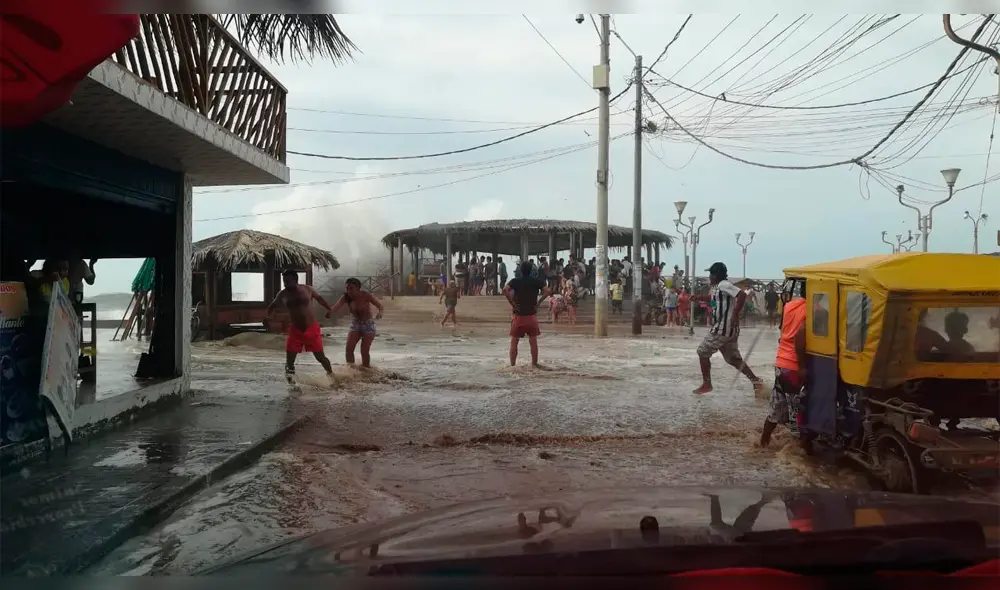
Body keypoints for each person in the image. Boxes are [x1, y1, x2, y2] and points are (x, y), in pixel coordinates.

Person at [694, 262, 764, 395]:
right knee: (733, 359)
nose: (709, 276)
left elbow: (741, 295)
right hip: (728, 329)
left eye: (711, 274)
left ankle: (707, 384)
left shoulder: (724, 284)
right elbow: (713, 299)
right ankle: (756, 382)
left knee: (702, 351)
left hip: (723, 328)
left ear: (715, 275)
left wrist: (735, 314)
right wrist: (699, 298)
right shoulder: (717, 287)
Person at [265, 270, 336, 387]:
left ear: (295, 280)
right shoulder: (282, 294)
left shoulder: (307, 289)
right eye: (284, 282)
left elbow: (320, 299)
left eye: (287, 282)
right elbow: (271, 306)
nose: (285, 284)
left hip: (311, 328)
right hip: (295, 330)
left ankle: (331, 375)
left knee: (321, 358)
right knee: (289, 362)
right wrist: (268, 317)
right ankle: (292, 386)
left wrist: (329, 309)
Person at [760, 290, 807, 448]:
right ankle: (800, 454)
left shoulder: (790, 306)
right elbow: (800, 335)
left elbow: (783, 331)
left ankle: (762, 444)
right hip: (794, 366)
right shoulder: (813, 309)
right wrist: (802, 366)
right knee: (797, 412)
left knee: (776, 406)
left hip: (781, 362)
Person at [503, 261, 551, 367]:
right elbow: (547, 291)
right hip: (531, 316)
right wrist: (538, 303)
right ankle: (534, 364)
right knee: (533, 341)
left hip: (518, 316)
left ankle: (512, 365)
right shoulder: (537, 281)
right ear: (532, 270)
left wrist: (512, 303)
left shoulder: (515, 281)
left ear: (520, 270)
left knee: (514, 342)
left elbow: (505, 290)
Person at [330, 277, 384, 369]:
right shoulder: (345, 297)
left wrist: (380, 313)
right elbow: (336, 307)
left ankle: (366, 370)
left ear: (358, 288)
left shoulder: (365, 295)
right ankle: (351, 370)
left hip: (368, 324)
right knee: (349, 349)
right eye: (347, 288)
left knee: (364, 351)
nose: (349, 291)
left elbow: (380, 306)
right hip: (355, 323)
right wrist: (329, 312)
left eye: (351, 288)